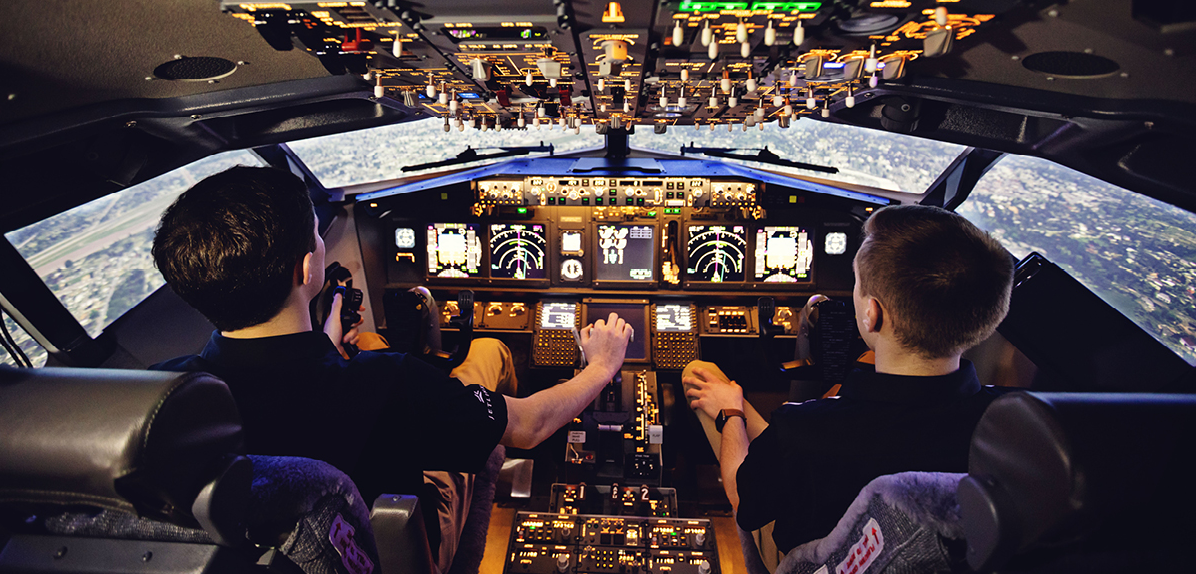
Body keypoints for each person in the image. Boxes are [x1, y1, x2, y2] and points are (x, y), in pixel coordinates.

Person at [151, 165, 630, 571]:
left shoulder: (155, 394)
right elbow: (530, 425)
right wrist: (602, 367)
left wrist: (322, 348)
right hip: (398, 553)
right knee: (488, 375)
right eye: (319, 236)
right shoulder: (386, 379)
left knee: (383, 345)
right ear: (305, 270)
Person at [682, 204, 1014, 563]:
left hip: (812, 563)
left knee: (701, 374)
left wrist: (731, 411)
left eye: (856, 284)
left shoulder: (804, 429)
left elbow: (744, 501)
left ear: (872, 313)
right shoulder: (1016, 425)